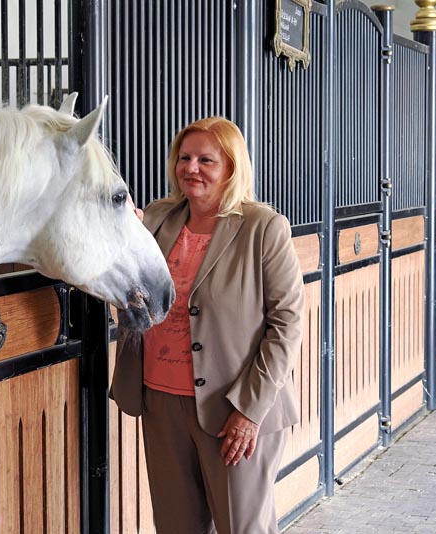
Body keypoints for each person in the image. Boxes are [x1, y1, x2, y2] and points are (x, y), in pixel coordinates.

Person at [111, 116, 304, 534]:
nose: (191, 168)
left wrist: (249, 410)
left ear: (232, 166)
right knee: (176, 527)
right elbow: (127, 281)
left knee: (243, 528)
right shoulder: (158, 218)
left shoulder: (263, 227)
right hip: (161, 400)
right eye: (184, 158)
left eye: (206, 160)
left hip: (233, 407)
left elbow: (287, 323)